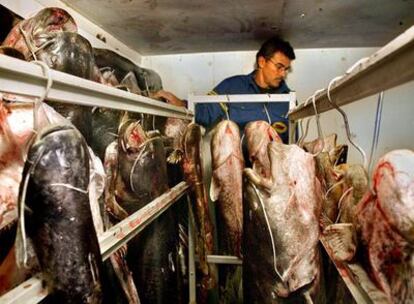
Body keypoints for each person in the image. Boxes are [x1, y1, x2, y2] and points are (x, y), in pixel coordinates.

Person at [155, 36, 295, 143]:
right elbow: (204, 112)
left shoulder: (288, 99)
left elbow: (293, 142)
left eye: (286, 69)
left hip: (275, 176)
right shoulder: (232, 86)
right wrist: (182, 105)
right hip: (234, 172)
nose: (283, 74)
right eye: (279, 67)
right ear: (262, 62)